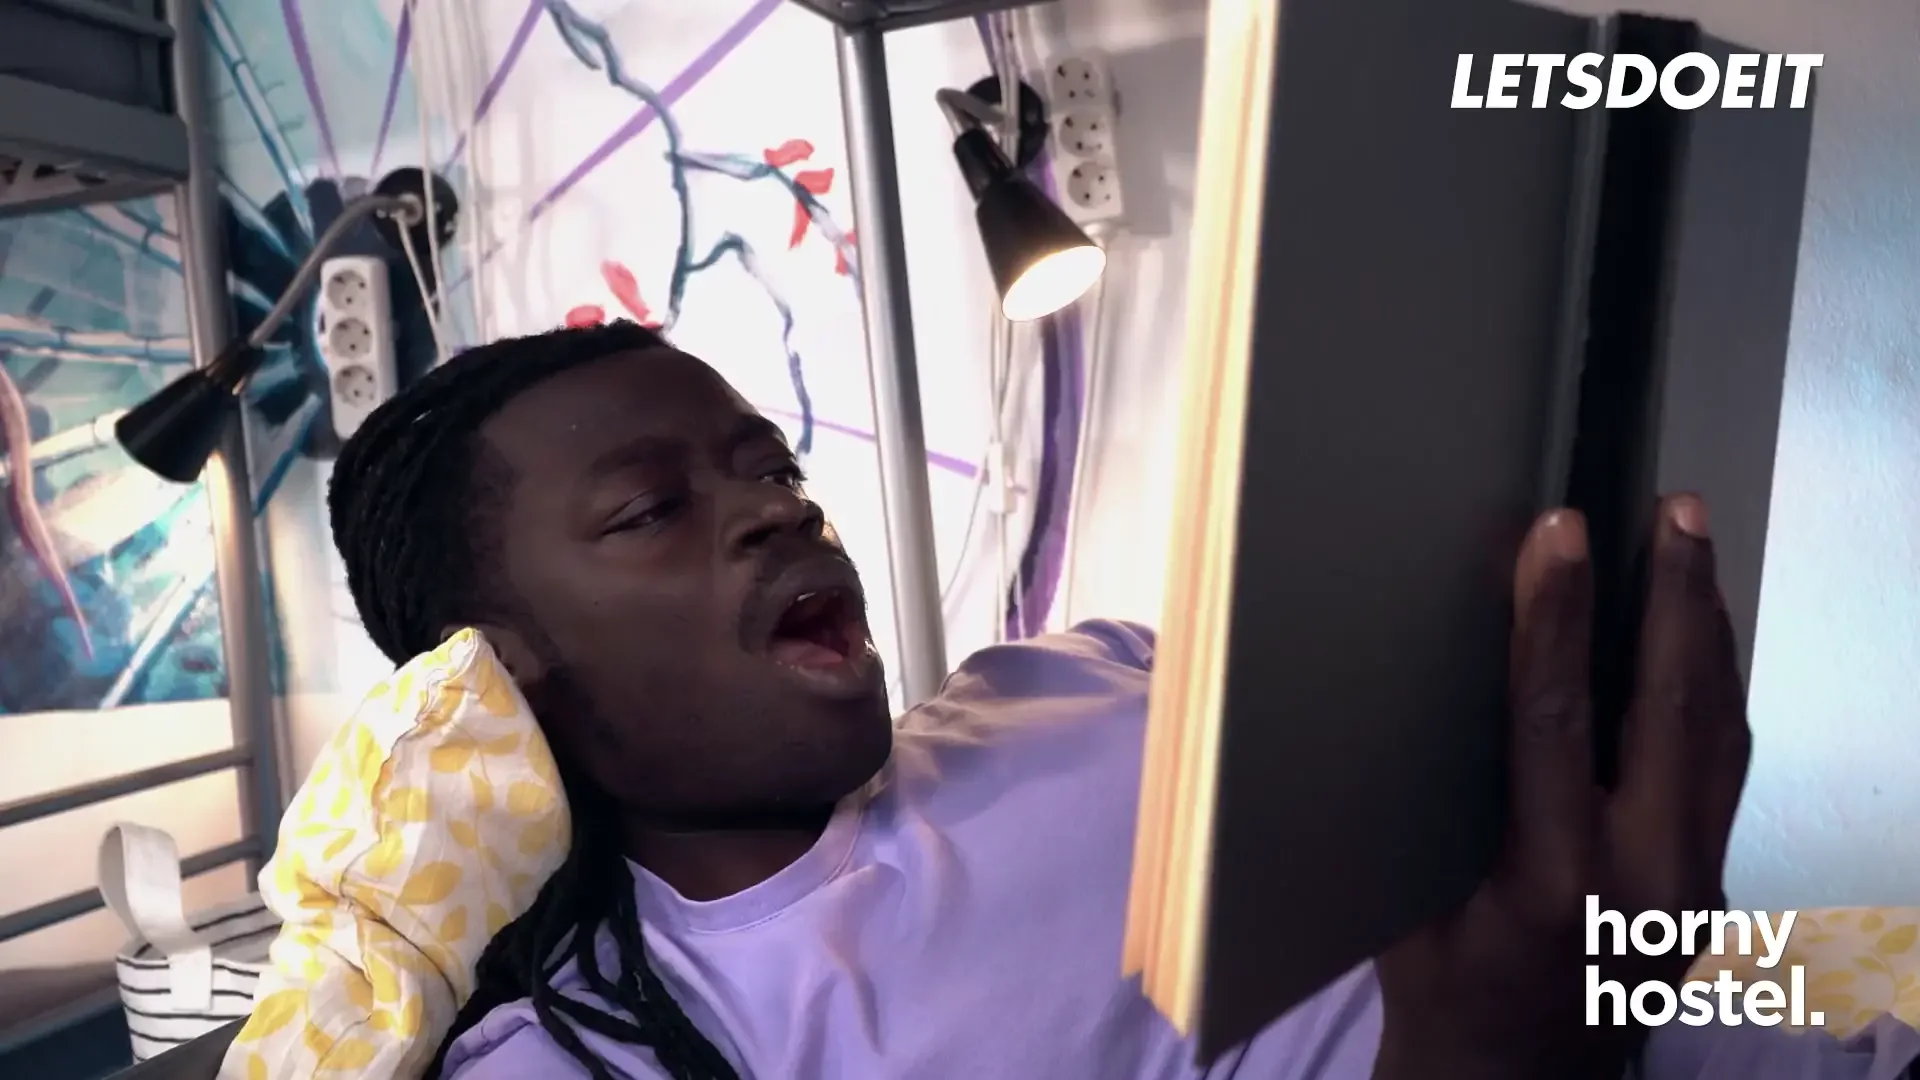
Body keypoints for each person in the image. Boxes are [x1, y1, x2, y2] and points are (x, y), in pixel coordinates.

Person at [325, 321, 1919, 1080]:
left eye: (771, 464)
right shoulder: (586, 1060)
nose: (773, 509)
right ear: (490, 679)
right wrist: (1507, 1041)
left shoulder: (1074, 669)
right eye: (650, 509)